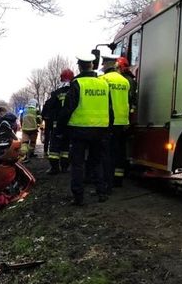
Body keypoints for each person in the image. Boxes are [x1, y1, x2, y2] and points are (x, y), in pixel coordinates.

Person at [58, 54, 110, 205]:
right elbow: (110, 108)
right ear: (93, 65)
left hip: (79, 130)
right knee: (97, 162)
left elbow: (68, 108)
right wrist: (109, 127)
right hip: (100, 129)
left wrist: (60, 129)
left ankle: (78, 197)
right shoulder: (103, 84)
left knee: (78, 164)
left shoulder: (77, 83)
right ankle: (101, 192)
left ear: (80, 66)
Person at [100, 54, 131, 192]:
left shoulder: (103, 80)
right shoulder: (125, 81)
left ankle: (108, 181)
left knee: (107, 153)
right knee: (119, 152)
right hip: (123, 121)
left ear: (106, 65)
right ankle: (119, 179)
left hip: (108, 121)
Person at [46, 68, 74, 175]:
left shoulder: (57, 92)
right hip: (70, 124)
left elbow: (50, 107)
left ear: (61, 78)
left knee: (54, 147)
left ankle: (54, 168)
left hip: (57, 124)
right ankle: (65, 167)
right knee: (66, 147)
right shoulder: (74, 90)